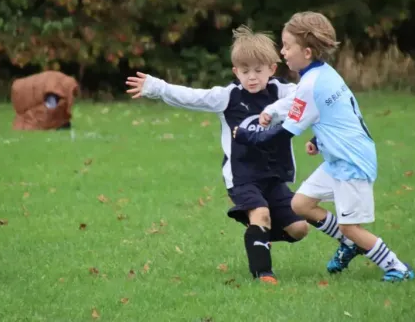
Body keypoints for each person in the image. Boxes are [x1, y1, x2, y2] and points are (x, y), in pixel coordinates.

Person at [233, 12, 415, 282]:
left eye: (287, 46)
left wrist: (247, 136)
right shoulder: (322, 74)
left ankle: (397, 267)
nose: (282, 52)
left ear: (306, 51)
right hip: (338, 160)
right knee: (301, 204)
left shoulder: (312, 84)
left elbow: (282, 135)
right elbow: (338, 114)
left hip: (352, 163)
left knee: (350, 226)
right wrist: (317, 139)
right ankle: (351, 244)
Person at [125, 26, 309, 284]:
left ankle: (257, 234)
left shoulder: (283, 92)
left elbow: (311, 95)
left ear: (272, 68)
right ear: (236, 71)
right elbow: (191, 97)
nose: (252, 77)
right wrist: (155, 87)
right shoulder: (227, 97)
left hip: (275, 176)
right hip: (243, 176)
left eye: (258, 71)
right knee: (261, 214)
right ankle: (263, 274)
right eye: (245, 72)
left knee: (300, 229)